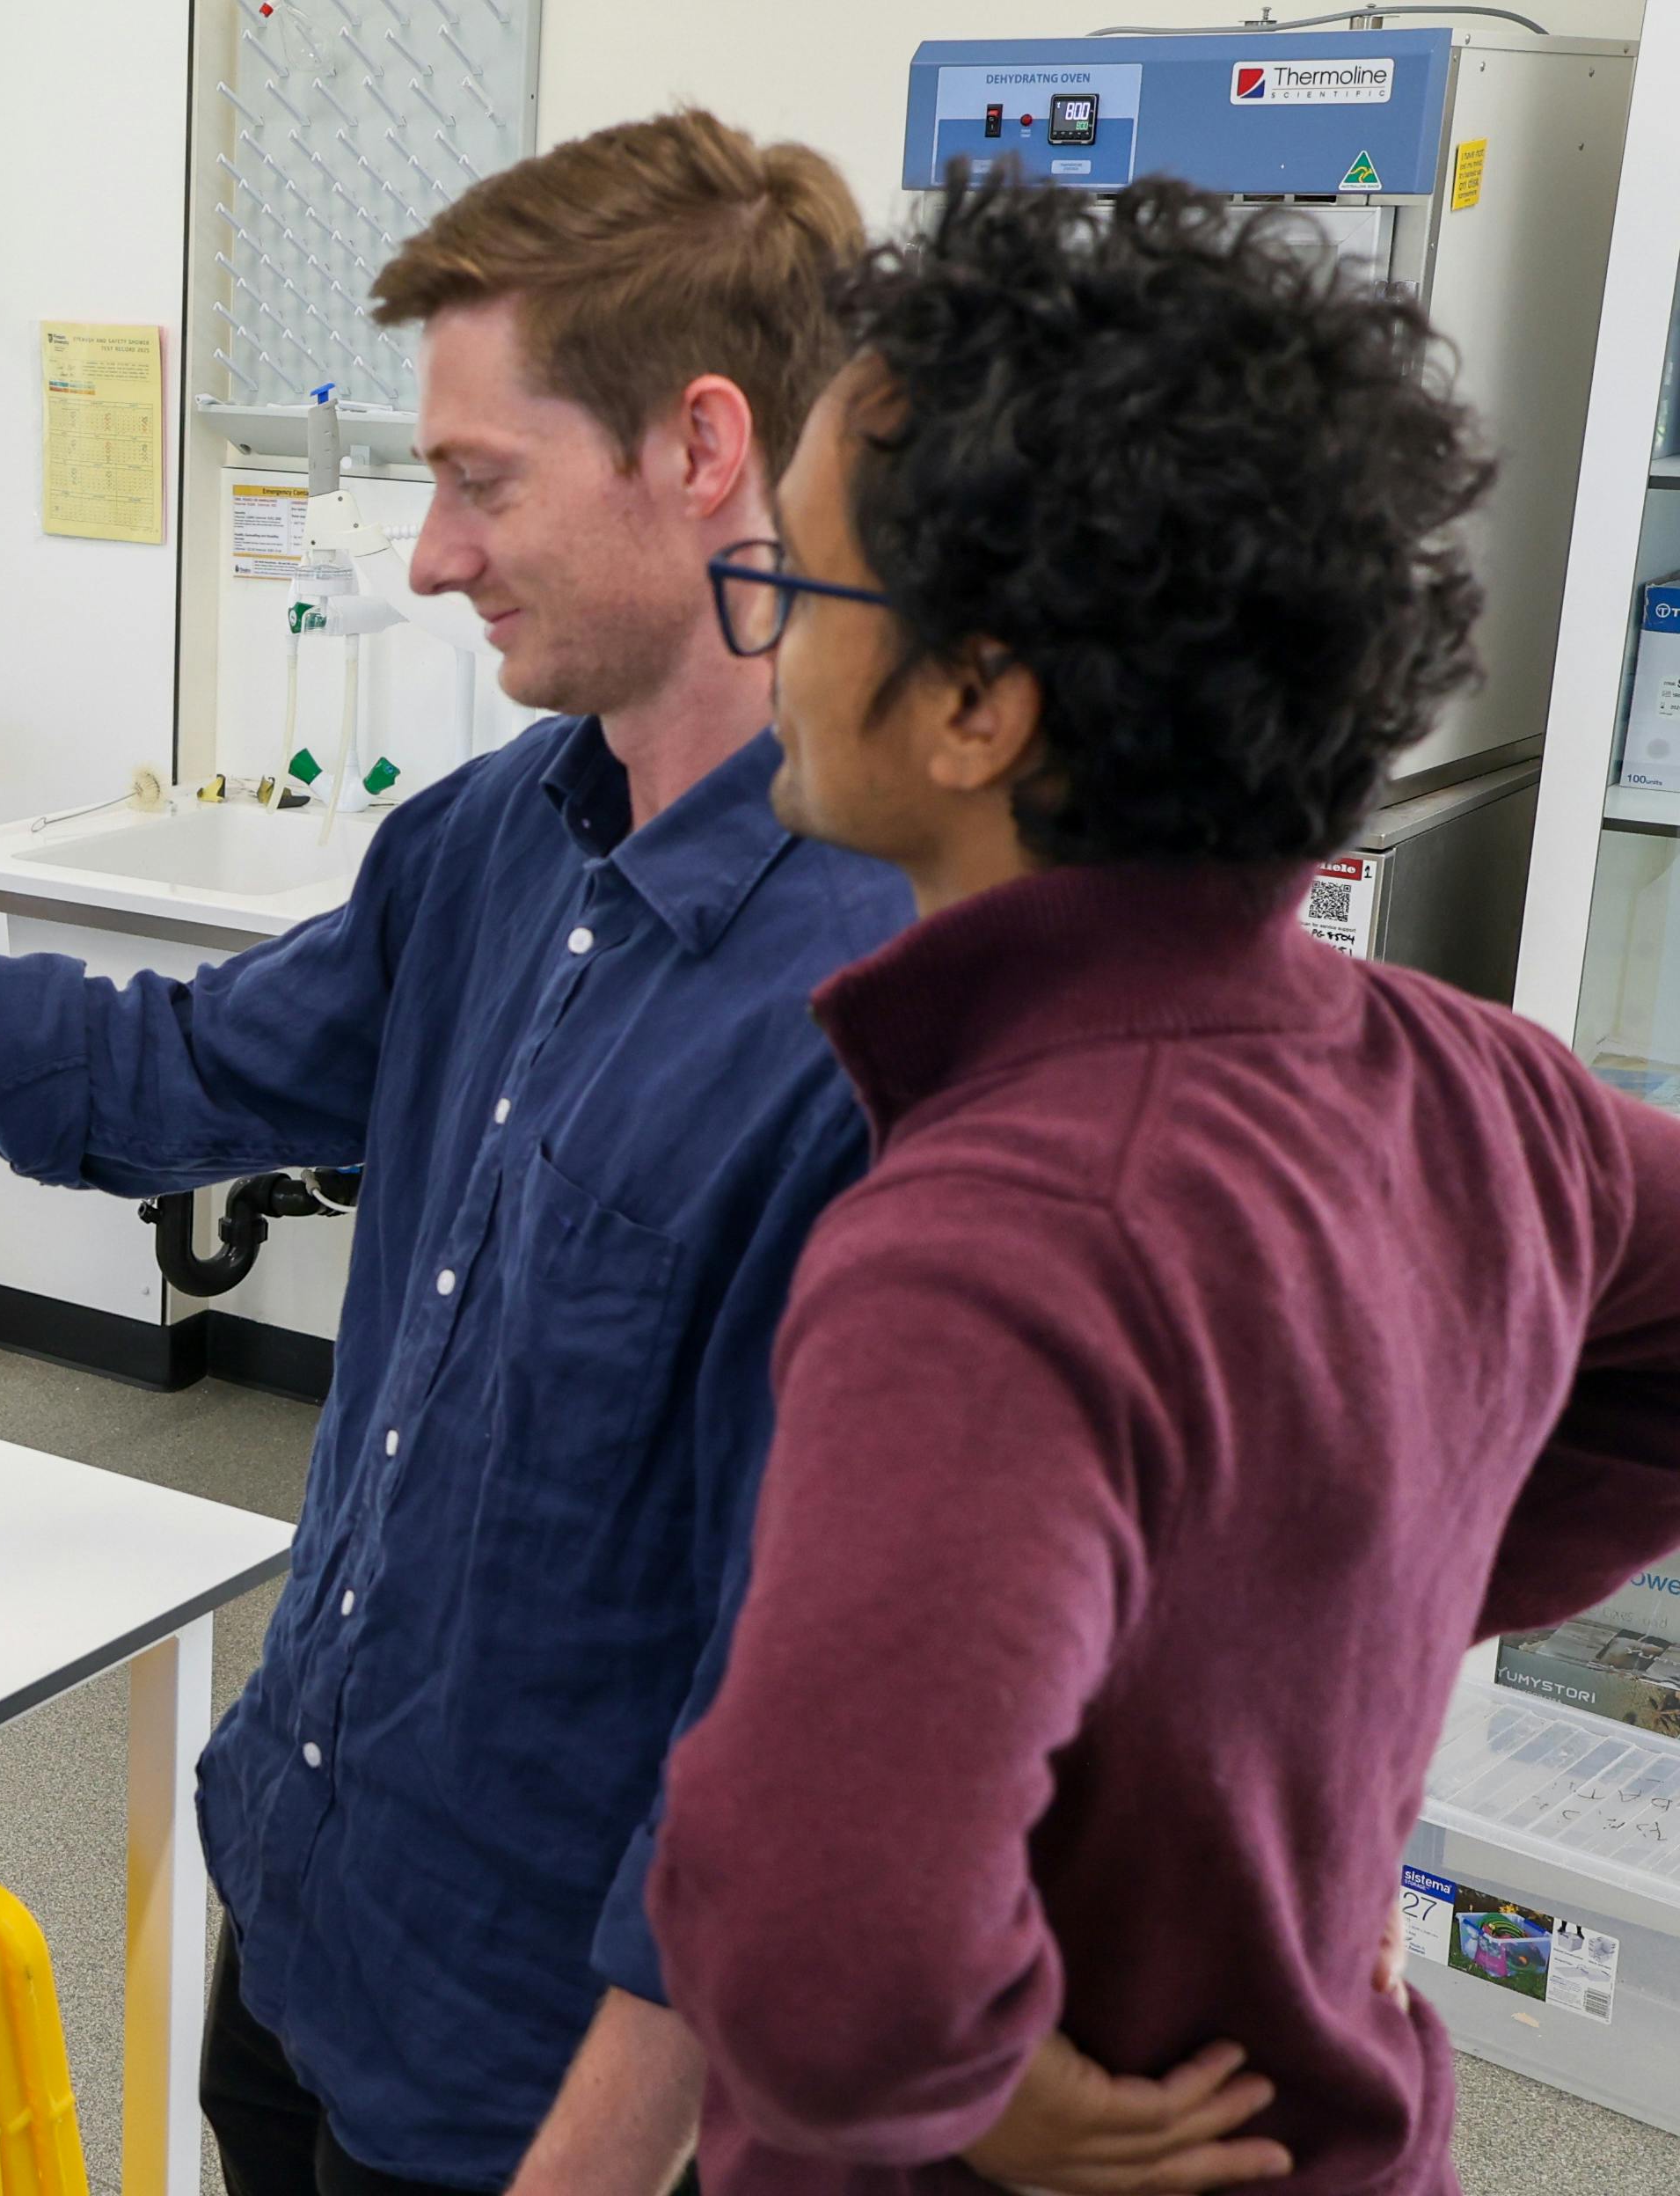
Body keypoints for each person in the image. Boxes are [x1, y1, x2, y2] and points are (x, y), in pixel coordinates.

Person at [0, 110, 910, 2196]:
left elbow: (795, 1749)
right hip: (306, 1901)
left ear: (704, 451)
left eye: (475, 480)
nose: (433, 556)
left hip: (532, 2073)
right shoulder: (487, 845)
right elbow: (158, 1077)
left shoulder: (878, 1006)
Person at [647, 170, 1680, 2196]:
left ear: (974, 703)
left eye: (800, 585)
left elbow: (823, 1968)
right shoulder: (1482, 1089)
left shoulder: (993, 1246)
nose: (751, 631)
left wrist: (976, 2075)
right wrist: (1376, 1611)